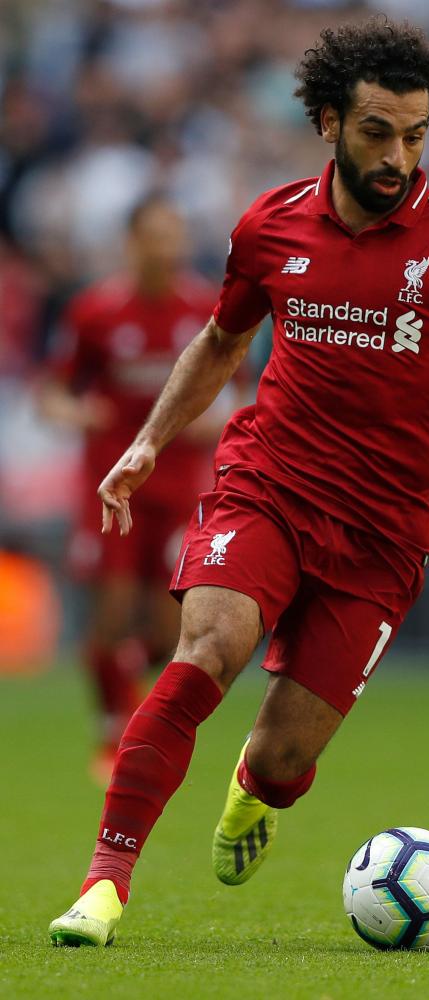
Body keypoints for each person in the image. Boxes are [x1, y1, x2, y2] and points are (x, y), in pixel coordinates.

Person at [49, 18, 429, 947]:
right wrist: (151, 440)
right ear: (328, 121)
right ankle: (104, 884)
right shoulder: (269, 224)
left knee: (283, 758)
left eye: (415, 135)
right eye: (376, 132)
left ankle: (254, 791)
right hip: (268, 483)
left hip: (383, 534)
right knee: (205, 650)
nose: (398, 155)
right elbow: (222, 340)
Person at [40, 195, 242, 782]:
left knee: (166, 627)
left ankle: (123, 673)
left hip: (182, 486)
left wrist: (220, 418)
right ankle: (111, 733)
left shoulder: (206, 307)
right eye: (154, 236)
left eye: (173, 236)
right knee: (110, 611)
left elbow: (242, 388)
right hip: (111, 483)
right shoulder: (95, 312)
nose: (165, 248)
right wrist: (78, 415)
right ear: (132, 242)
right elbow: (51, 391)